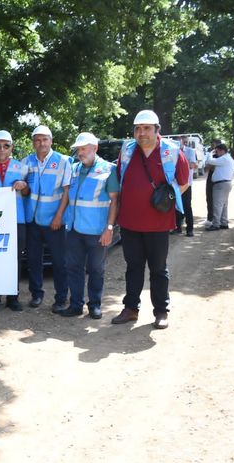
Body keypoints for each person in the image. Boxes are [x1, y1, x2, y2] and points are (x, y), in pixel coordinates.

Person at [111, 110, 189, 330]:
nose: (141, 133)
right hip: (129, 222)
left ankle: (161, 312)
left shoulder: (171, 152)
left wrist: (165, 201)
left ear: (157, 130)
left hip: (158, 223)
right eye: (138, 128)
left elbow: (184, 182)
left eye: (146, 128)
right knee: (133, 267)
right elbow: (119, 180)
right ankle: (131, 309)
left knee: (158, 269)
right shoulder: (127, 150)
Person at [61, 133, 119, 319]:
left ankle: (94, 304)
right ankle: (76, 305)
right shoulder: (74, 168)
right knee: (74, 268)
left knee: (96, 269)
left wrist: (109, 228)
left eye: (84, 148)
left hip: (97, 231)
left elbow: (114, 201)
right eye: (78, 149)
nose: (80, 152)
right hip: (75, 230)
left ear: (95, 148)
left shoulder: (109, 169)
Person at [21, 125, 71, 313]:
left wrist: (58, 216)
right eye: (37, 140)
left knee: (60, 261)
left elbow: (66, 191)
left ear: (51, 141)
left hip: (54, 220)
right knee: (34, 260)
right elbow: (24, 189)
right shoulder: (26, 162)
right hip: (32, 219)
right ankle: (36, 294)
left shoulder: (63, 161)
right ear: (33, 142)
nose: (41, 143)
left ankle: (60, 298)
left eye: (44, 139)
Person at [0, 130, 29, 312]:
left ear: (12, 147)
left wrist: (23, 186)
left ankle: (13, 296)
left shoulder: (21, 167)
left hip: (17, 218)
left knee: (15, 259)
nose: (1, 149)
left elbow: (27, 192)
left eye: (6, 146)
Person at [204, 143, 234, 231]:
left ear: (222, 150)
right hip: (226, 183)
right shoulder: (228, 158)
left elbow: (210, 161)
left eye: (217, 151)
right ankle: (224, 222)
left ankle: (216, 224)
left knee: (217, 205)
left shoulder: (224, 158)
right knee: (224, 204)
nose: (216, 153)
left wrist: (210, 153)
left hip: (220, 184)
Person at [173, 137, 195, 236]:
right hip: (174, 184)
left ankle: (190, 229)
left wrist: (181, 161)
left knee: (187, 206)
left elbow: (192, 165)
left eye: (179, 142)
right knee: (175, 207)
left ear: (182, 142)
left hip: (186, 184)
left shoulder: (190, 151)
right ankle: (177, 228)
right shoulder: (171, 152)